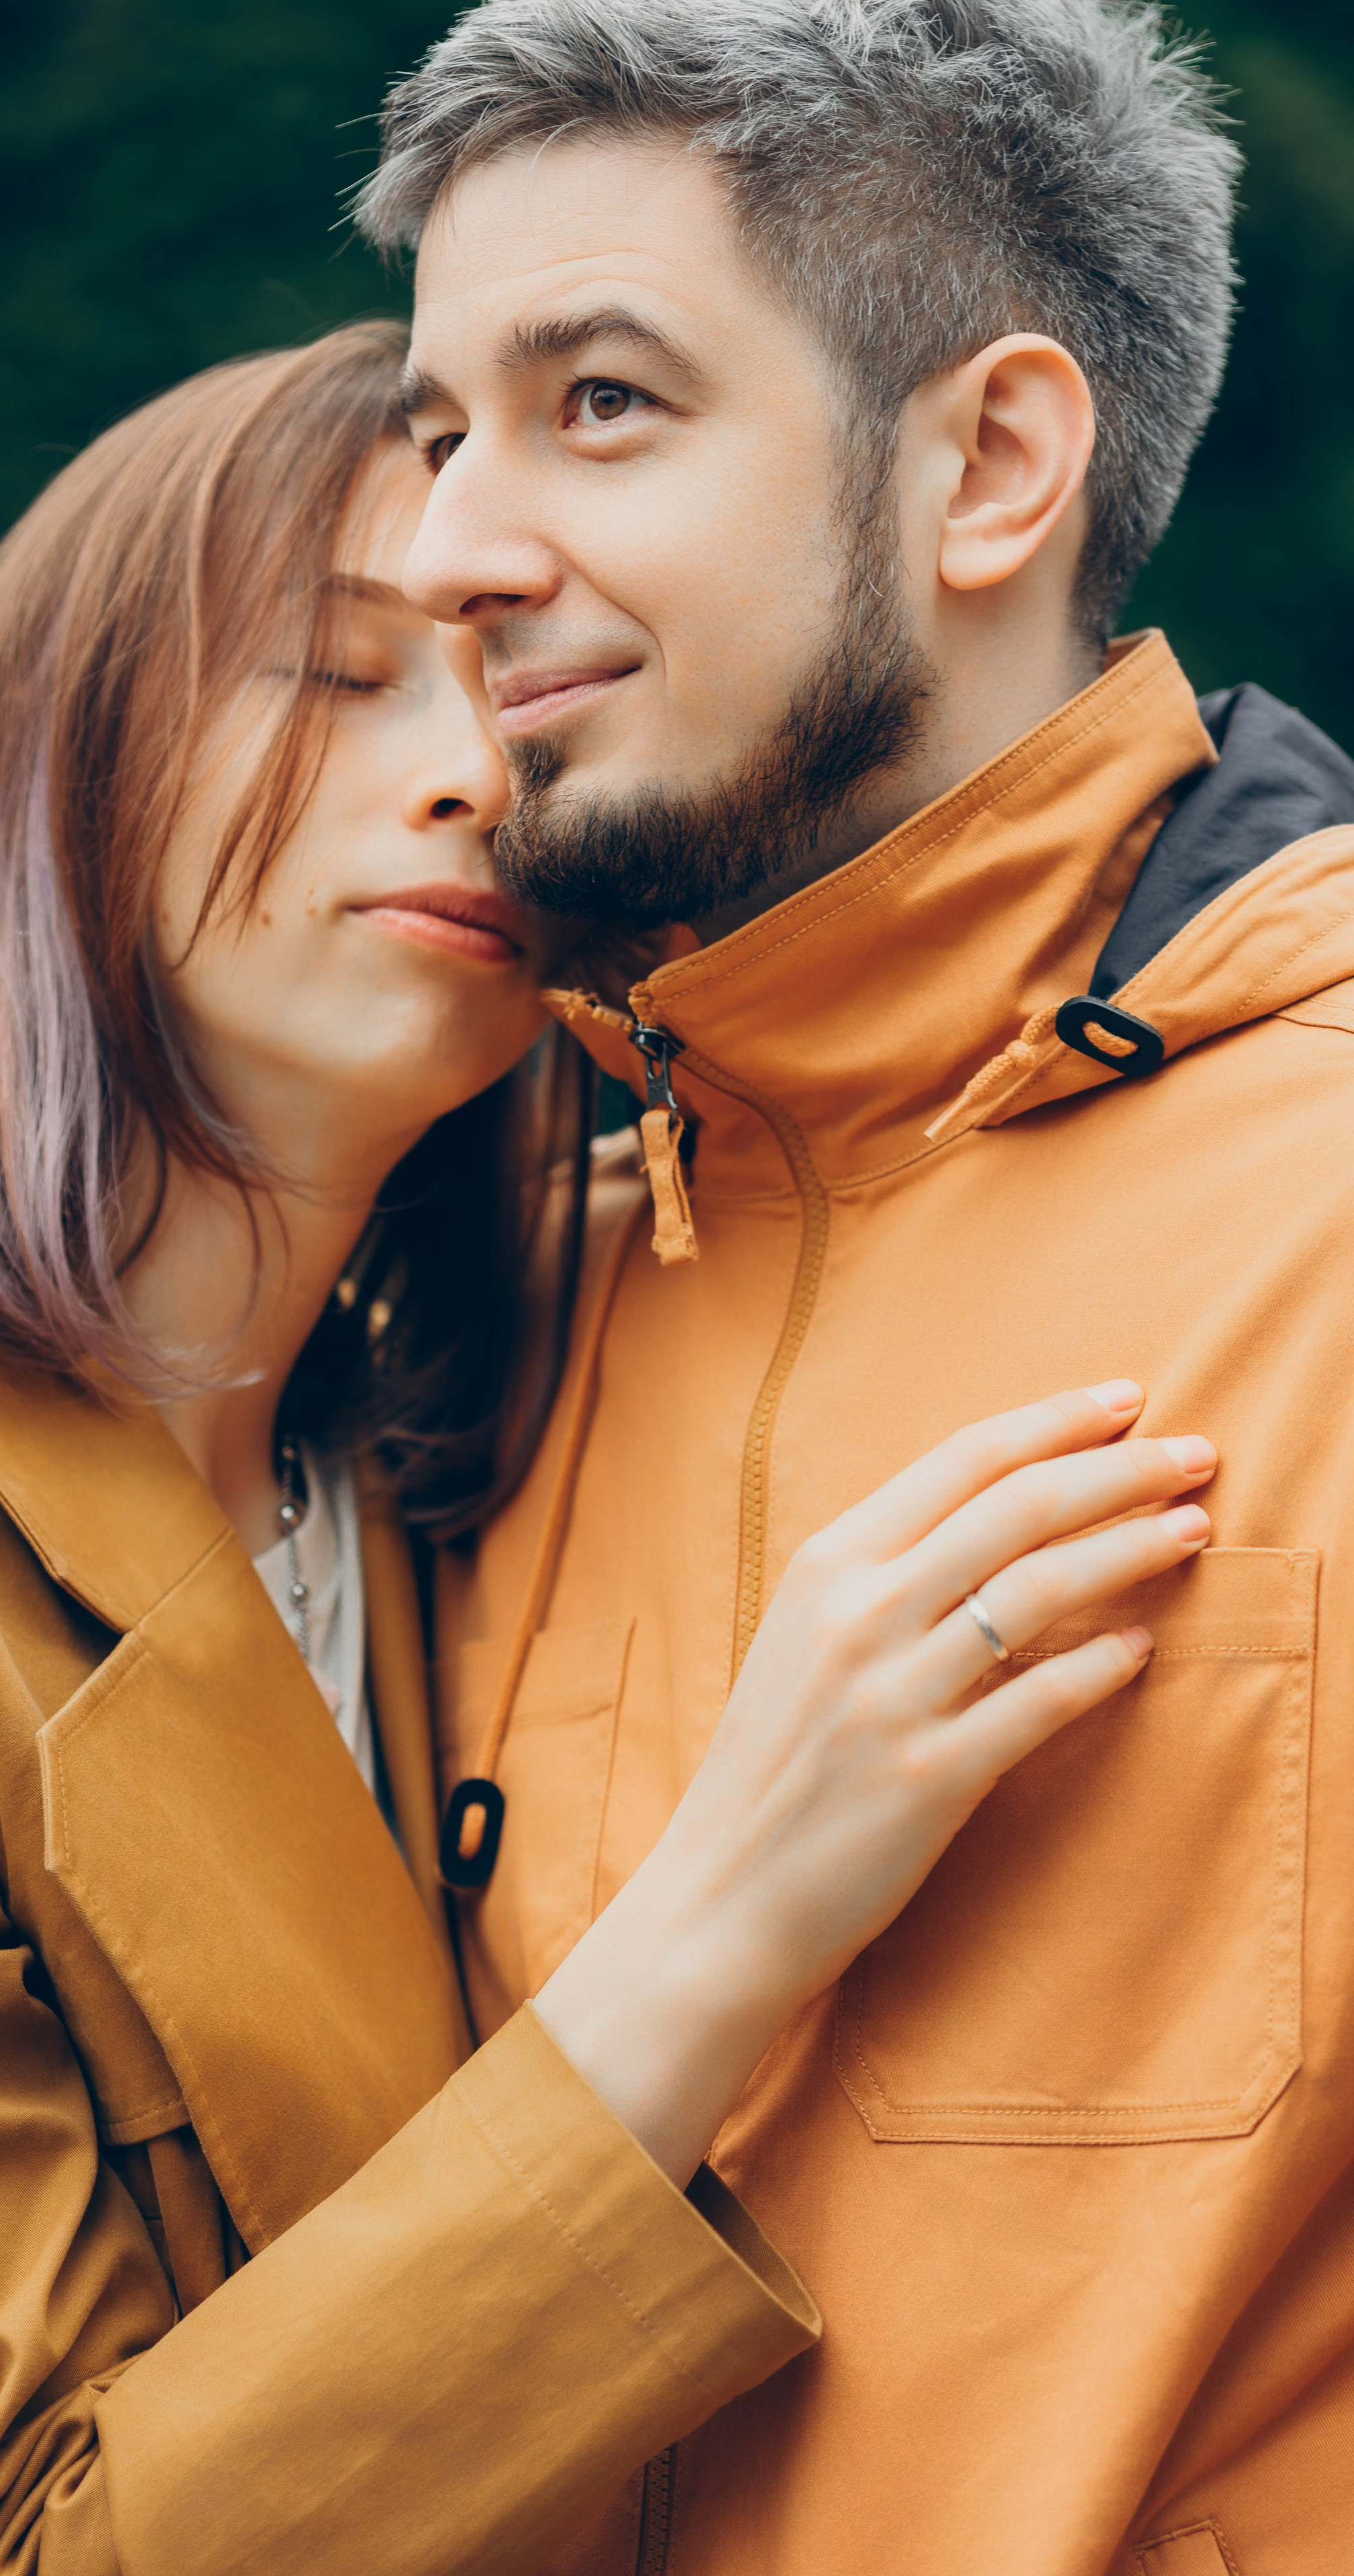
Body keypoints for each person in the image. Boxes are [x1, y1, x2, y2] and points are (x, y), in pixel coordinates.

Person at [0, 321, 1215, 2573]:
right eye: (335, 673)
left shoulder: (465, 1443)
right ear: (64, 762)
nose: (479, 774)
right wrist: (731, 1918)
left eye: (520, 690)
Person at [360, 2, 1354, 2571]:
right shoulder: (495, 1272)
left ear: (991, 466)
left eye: (599, 404)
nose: (448, 546)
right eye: (440, 422)